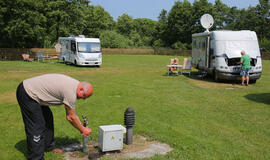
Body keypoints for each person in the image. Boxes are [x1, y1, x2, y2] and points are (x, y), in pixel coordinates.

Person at [16, 73, 93, 160]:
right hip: (28, 93)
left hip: (37, 95)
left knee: (48, 119)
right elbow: (70, 117)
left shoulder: (74, 85)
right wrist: (83, 129)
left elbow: (72, 115)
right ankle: (36, 157)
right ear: (81, 89)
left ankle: (48, 147)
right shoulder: (70, 91)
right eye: (84, 96)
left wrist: (82, 128)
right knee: (37, 126)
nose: (83, 99)